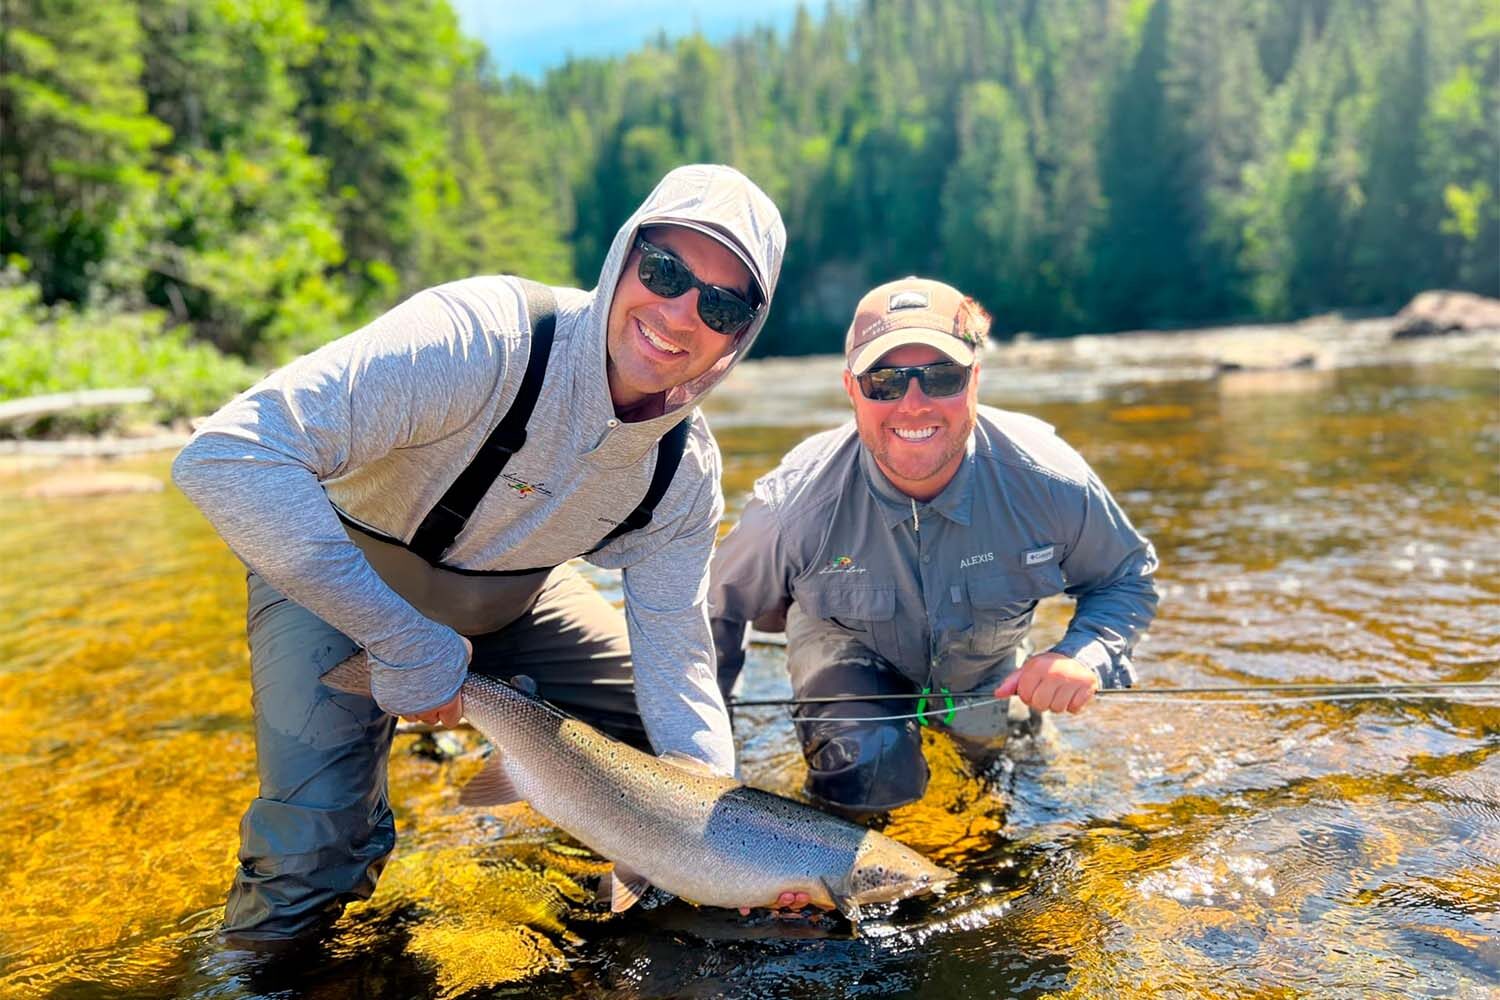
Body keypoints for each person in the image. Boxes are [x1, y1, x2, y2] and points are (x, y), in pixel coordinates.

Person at [173, 164, 786, 946]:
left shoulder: (682, 471)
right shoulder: (480, 338)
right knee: (314, 859)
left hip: (514, 598)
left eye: (721, 303)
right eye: (664, 270)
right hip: (333, 582)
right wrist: (399, 637)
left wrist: (717, 834)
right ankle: (264, 969)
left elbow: (676, 649)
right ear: (622, 259)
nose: (678, 312)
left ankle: (580, 897)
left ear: (740, 335)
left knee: (652, 758)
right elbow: (227, 457)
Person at [709, 276, 1158, 817]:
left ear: (975, 380)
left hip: (984, 677)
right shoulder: (793, 505)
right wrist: (711, 765)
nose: (914, 403)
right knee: (870, 771)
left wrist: (1079, 657)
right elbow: (715, 613)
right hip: (847, 663)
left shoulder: (1050, 481)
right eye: (885, 381)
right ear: (851, 388)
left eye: (941, 377)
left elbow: (1124, 578)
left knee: (1005, 792)